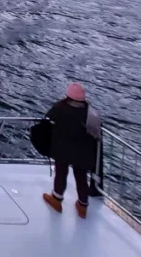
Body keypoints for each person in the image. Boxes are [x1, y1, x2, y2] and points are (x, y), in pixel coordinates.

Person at [42, 82, 101, 219]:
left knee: (61, 172)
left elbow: (49, 117)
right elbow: (96, 131)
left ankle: (56, 199)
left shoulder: (61, 107)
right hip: (83, 152)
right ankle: (82, 205)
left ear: (68, 96)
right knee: (81, 177)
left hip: (63, 149)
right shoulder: (90, 112)